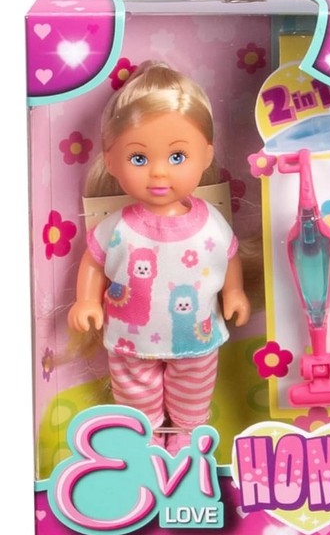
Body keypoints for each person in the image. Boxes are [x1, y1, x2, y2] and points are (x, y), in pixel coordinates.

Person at [67, 61, 251, 455]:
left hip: (196, 339)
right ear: (111, 161)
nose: (158, 173)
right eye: (139, 159)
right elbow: (94, 261)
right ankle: (143, 441)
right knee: (136, 398)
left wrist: (234, 293)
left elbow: (229, 255)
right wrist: (86, 301)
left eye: (177, 156)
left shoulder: (211, 223)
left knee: (193, 398)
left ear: (206, 155)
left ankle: (186, 440)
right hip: (130, 341)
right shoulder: (118, 227)